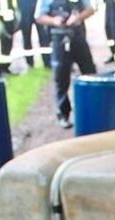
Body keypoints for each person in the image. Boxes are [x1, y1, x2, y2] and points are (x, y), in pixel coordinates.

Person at [36, 0, 97, 128]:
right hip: (59, 39)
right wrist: (54, 21)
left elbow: (91, 9)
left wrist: (78, 17)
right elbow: (39, 17)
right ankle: (63, 114)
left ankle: (94, 109)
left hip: (78, 37)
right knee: (61, 78)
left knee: (90, 74)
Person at [17, 0, 51, 68]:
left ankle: (47, 62)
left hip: (38, 3)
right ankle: (30, 63)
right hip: (25, 4)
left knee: (43, 36)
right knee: (26, 34)